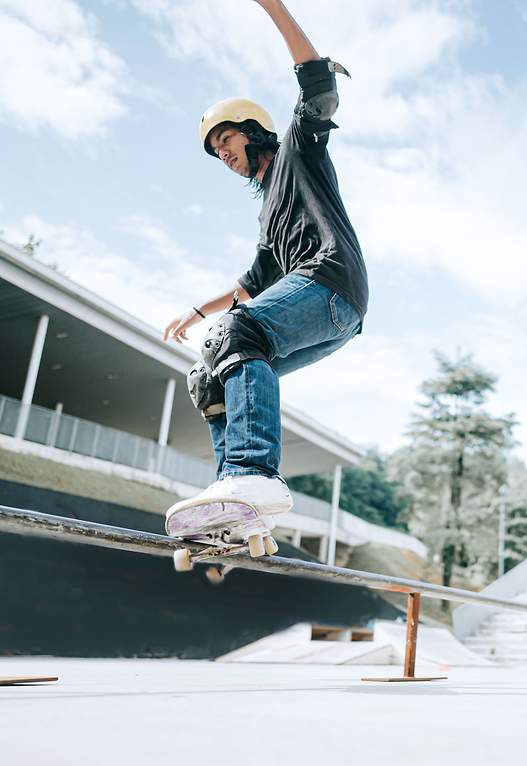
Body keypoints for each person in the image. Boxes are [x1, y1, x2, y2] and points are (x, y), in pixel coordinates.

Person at [163, 0, 368, 531]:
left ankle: (255, 473)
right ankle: (241, 504)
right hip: (324, 316)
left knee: (231, 333)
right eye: (216, 150)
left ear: (253, 130)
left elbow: (317, 86)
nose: (223, 154)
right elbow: (249, 286)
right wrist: (193, 311)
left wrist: (271, 5)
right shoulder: (268, 216)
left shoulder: (300, 150)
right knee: (207, 374)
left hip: (330, 285)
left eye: (226, 139)